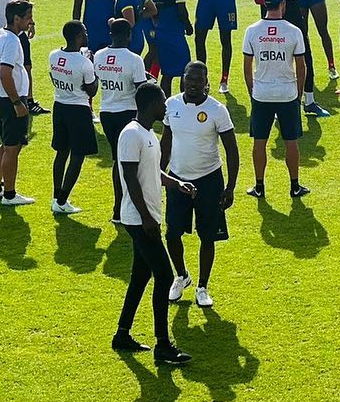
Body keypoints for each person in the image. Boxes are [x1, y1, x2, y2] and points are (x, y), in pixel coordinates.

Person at [112, 82, 197, 366]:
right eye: (162, 102)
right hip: (139, 220)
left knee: (140, 276)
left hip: (145, 217)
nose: (165, 107)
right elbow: (130, 179)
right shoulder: (131, 134)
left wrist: (176, 183)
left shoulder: (147, 134)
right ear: (149, 104)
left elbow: (152, 172)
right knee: (163, 275)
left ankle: (122, 334)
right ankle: (163, 345)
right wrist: (146, 218)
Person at [161, 62, 239, 308]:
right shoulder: (171, 105)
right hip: (178, 179)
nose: (192, 83)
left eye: (198, 80)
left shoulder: (217, 110)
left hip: (209, 180)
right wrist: (159, 173)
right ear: (183, 79)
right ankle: (181, 275)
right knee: (172, 232)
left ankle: (202, 286)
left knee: (208, 236)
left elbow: (231, 150)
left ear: (206, 82)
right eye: (189, 78)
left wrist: (230, 187)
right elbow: (166, 141)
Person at [251, 0, 329, 117]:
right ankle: (276, 102)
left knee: (305, 56)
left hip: (294, 17)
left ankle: (309, 101)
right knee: (276, 61)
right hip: (272, 22)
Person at [243, 0, 310, 200]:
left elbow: (247, 64)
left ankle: (260, 186)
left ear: (264, 3)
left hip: (261, 93)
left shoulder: (252, 31)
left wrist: (252, 90)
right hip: (287, 93)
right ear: (283, 4)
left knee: (259, 141)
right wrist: (298, 93)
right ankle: (294, 186)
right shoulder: (294, 31)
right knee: (291, 141)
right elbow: (301, 66)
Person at [94, 19, 151, 223]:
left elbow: (96, 82)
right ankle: (123, 209)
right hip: (127, 114)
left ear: (111, 34)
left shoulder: (99, 56)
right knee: (128, 163)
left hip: (106, 113)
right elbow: (141, 90)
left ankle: (119, 208)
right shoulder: (134, 59)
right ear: (129, 35)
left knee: (117, 161)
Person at [0, 0, 36, 208]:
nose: (30, 22)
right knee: (12, 150)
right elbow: (5, 73)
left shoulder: (0, 34)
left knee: (5, 145)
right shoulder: (13, 41)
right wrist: (17, 102)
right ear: (17, 19)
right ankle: (10, 194)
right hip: (11, 100)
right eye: (28, 18)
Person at [47, 21, 99, 215]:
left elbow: (54, 78)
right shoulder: (84, 63)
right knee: (78, 156)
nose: (87, 35)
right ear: (78, 36)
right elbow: (92, 90)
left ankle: (56, 196)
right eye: (84, 32)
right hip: (78, 110)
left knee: (61, 152)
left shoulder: (53, 55)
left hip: (59, 106)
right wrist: (93, 68)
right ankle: (62, 200)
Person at [151, 0, 194, 95]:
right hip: (174, 32)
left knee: (167, 73)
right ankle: (185, 101)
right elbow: (181, 10)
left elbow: (153, 9)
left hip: (160, 31)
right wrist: (188, 26)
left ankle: (166, 104)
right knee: (185, 69)